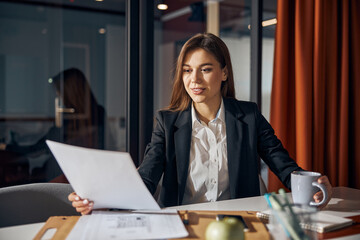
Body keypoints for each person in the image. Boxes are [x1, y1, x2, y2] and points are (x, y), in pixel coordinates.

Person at [69, 33, 332, 215]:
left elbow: (282, 164)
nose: (194, 79)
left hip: (239, 223)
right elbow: (147, 176)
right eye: (187, 69)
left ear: (224, 72)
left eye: (205, 69)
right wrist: (103, 201)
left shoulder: (249, 115)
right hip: (182, 222)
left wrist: (312, 183)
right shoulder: (167, 121)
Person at [0, 68, 105, 183]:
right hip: (84, 175)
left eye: (59, 93)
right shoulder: (98, 113)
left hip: (61, 176)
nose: (58, 97)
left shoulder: (67, 119)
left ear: (69, 93)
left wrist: (6, 147)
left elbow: (39, 148)